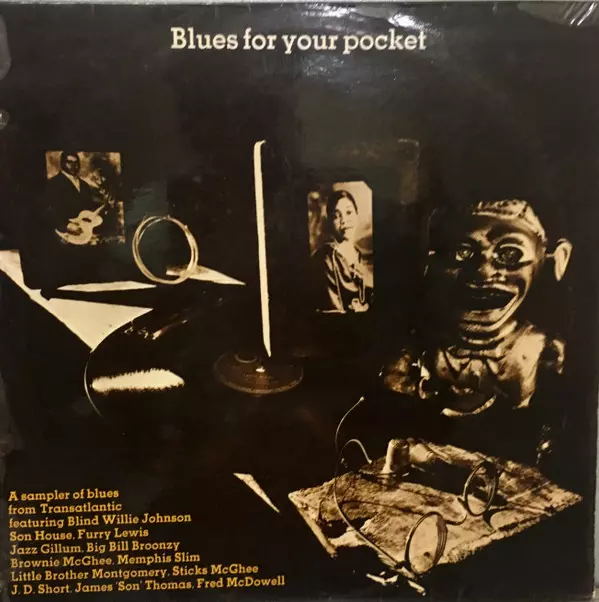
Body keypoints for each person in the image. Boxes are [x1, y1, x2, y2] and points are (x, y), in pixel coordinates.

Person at [312, 190, 373, 313]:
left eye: (349, 212)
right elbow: (331, 309)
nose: (344, 221)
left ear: (357, 214)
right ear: (330, 221)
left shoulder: (358, 254)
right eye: (336, 216)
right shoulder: (326, 257)